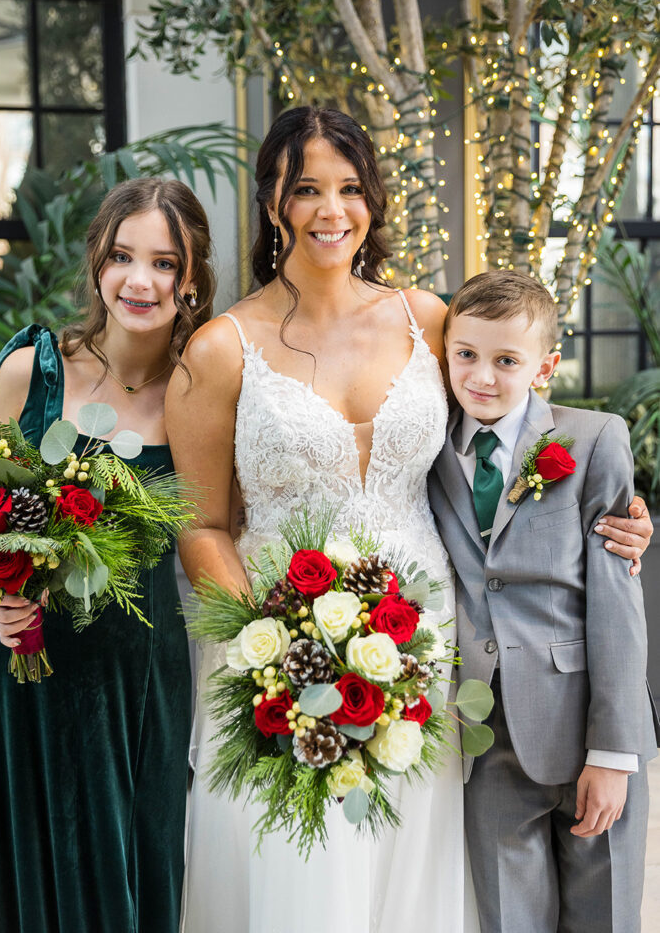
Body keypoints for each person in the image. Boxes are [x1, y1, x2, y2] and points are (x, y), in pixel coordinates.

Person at [168, 106, 651, 933]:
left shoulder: (424, 319)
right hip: (279, 658)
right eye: (307, 188)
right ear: (272, 199)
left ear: (373, 199)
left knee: (417, 874)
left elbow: (508, 414)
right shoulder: (220, 347)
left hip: (426, 644)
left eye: (350, 188)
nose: (332, 210)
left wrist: (611, 505)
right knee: (300, 874)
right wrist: (272, 648)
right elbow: (202, 525)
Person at [0, 177, 215, 933]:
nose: (139, 281)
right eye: (121, 256)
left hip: (136, 674)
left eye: (165, 263)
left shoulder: (203, 391)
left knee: (132, 870)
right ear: (97, 263)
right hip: (21, 663)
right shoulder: (32, 370)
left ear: (193, 279)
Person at [428, 270, 659, 933]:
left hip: (584, 719)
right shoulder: (430, 447)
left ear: (544, 366)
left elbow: (616, 603)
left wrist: (613, 754)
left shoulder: (590, 441)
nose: (481, 377)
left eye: (506, 361)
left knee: (604, 912)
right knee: (508, 917)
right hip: (482, 733)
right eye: (464, 355)